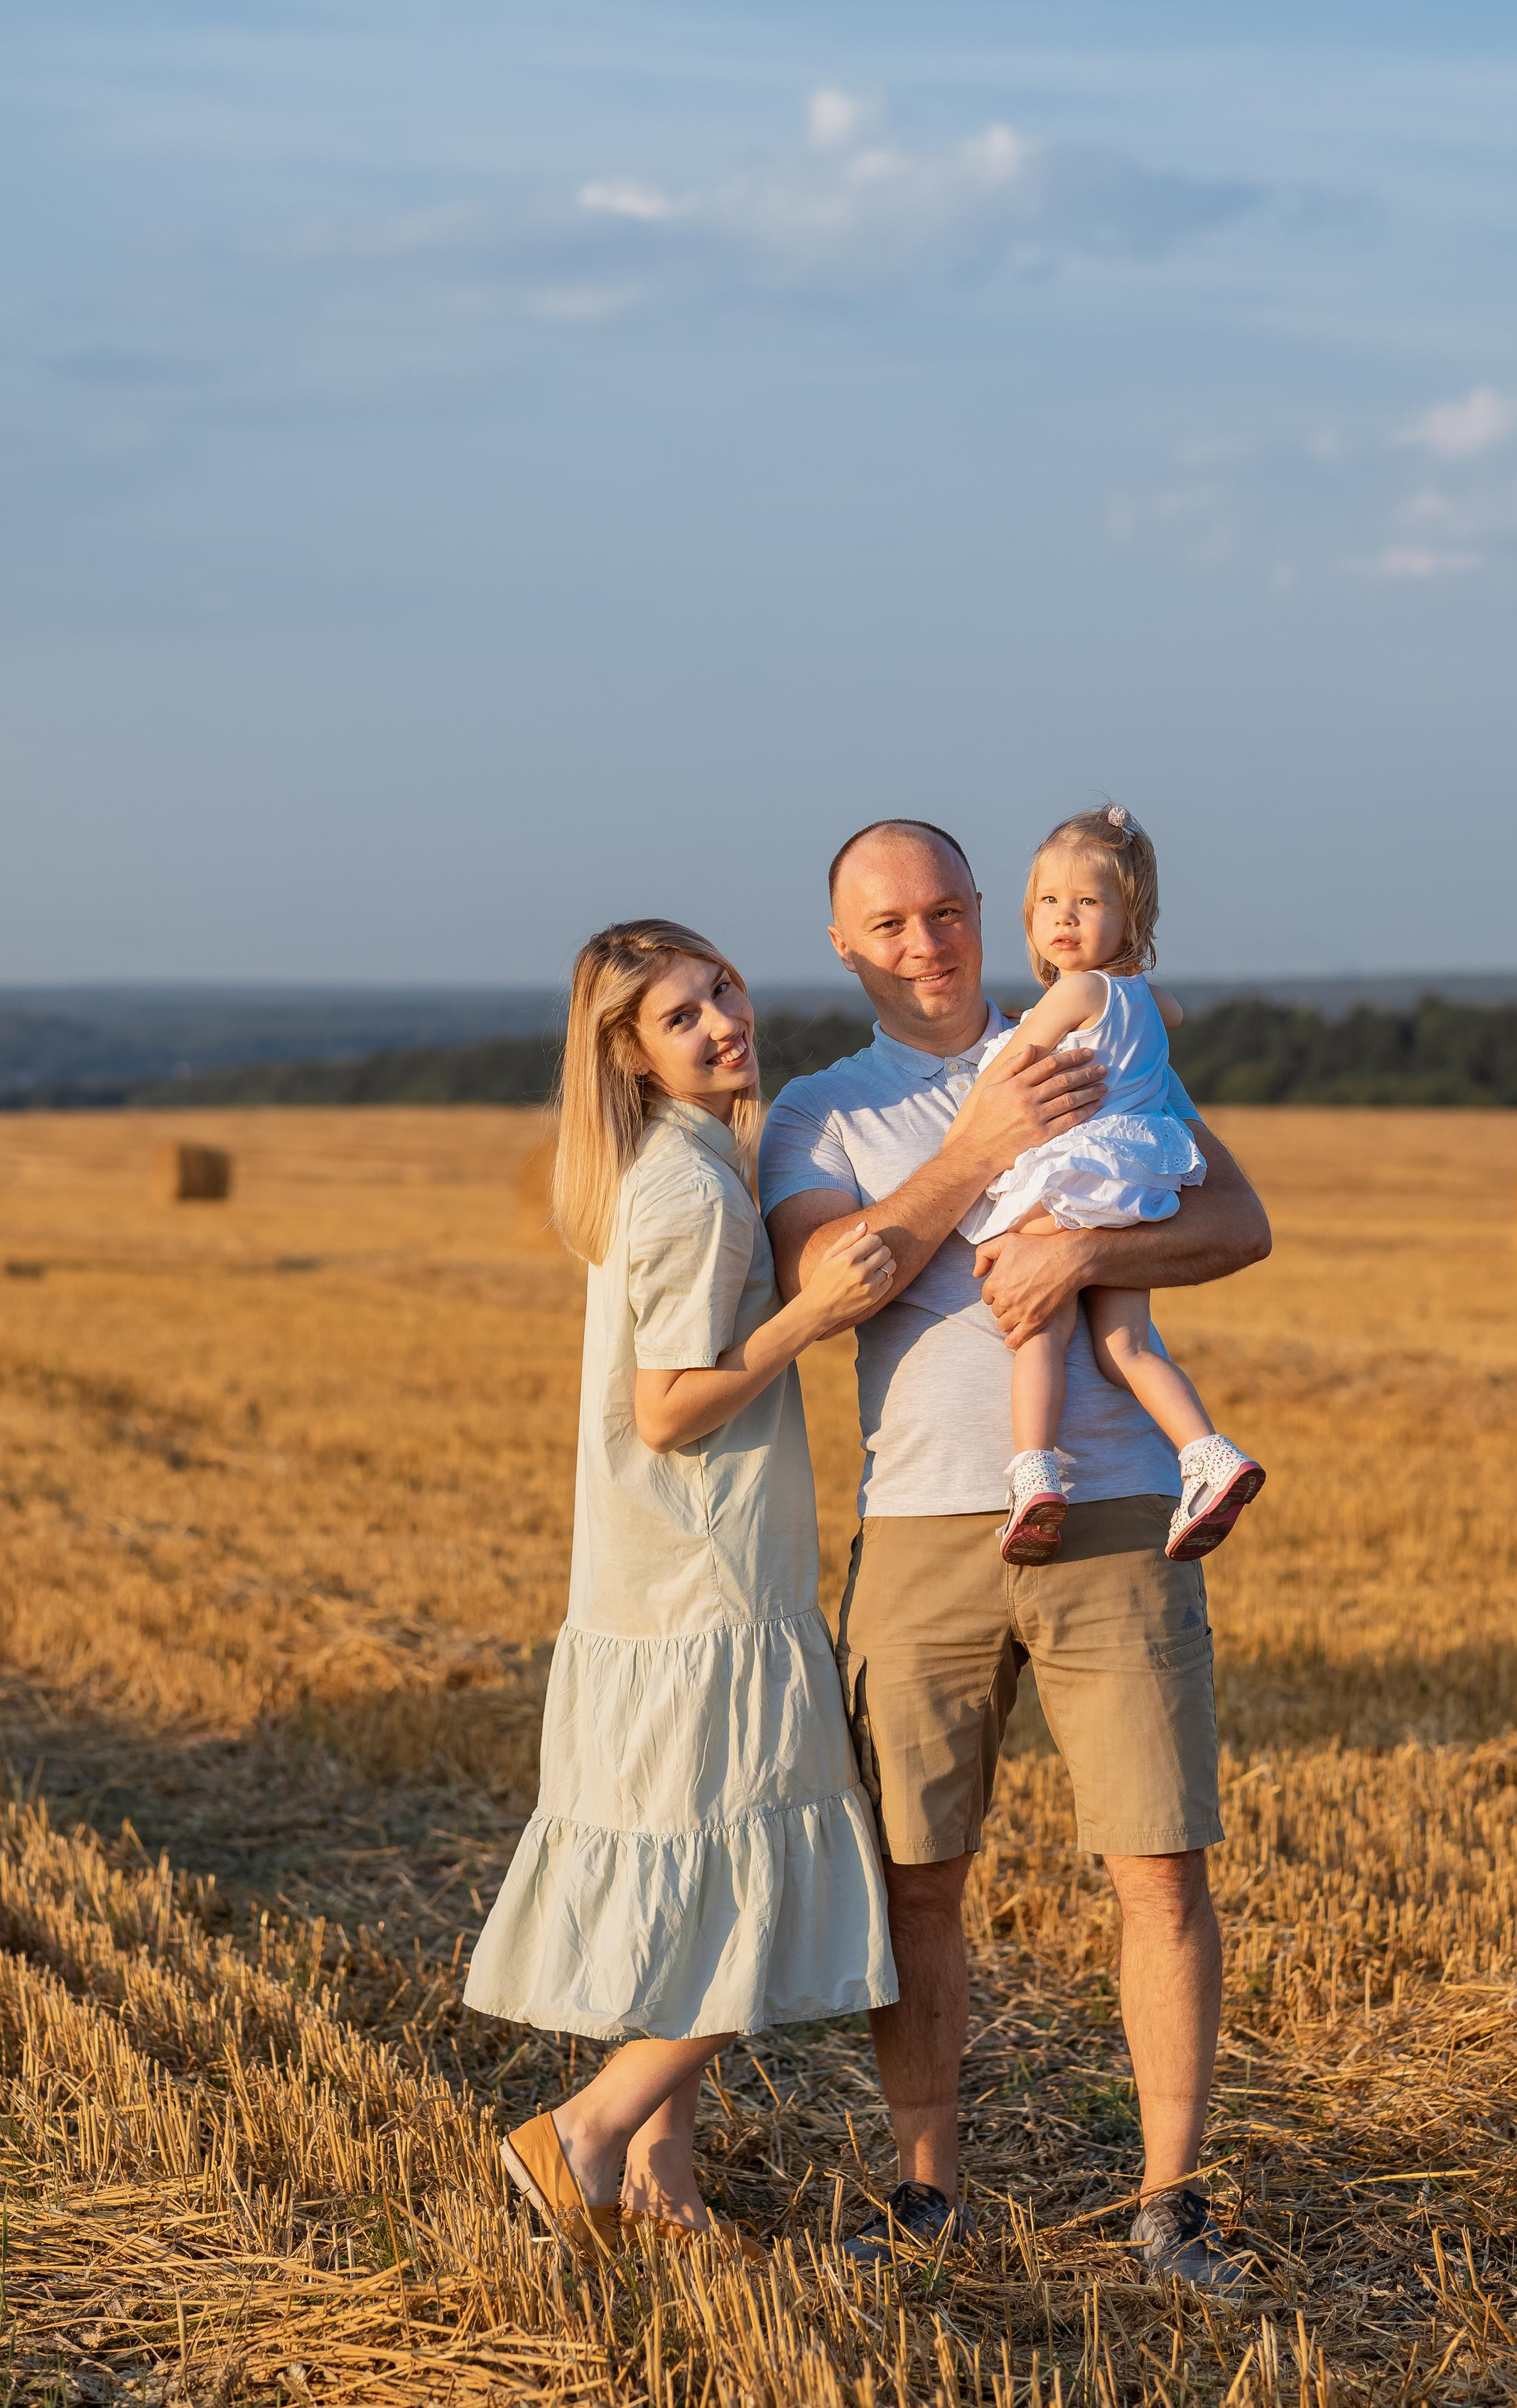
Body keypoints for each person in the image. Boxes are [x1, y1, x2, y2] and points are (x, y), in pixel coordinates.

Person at [759, 821, 1271, 2291]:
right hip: (923, 1526)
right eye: (889, 925)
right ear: (846, 949)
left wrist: (1086, 1255)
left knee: (1157, 1866)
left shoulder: (1088, 1029)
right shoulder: (820, 1111)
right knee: (915, 1875)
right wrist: (979, 1148)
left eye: (943, 911)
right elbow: (833, 1281)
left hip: (1111, 1511)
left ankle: (1170, 2205)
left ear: (984, 914)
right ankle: (929, 2192)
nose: (924, 942)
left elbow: (1233, 1217)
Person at [465, 918, 899, 2263]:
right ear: (631, 1054)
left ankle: (660, 2173)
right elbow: (669, 1409)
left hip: (660, 1582)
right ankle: (582, 2134)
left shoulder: (674, 1162)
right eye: (681, 1016)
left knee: (693, 1874)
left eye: (722, 990)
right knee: (761, 1888)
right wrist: (811, 1315)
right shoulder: (692, 1191)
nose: (723, 1022)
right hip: (708, 1585)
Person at [957, 802, 1266, 1569]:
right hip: (1138, 1181)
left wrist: (972, 1117)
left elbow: (1004, 1073)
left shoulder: (1073, 995)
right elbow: (1175, 1011)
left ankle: (1034, 1476)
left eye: (1088, 903)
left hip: (1072, 1171)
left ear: (1128, 921)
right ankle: (1205, 1453)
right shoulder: (1148, 1001)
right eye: (1049, 903)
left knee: (1039, 1330)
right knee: (1124, 1343)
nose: (1064, 918)